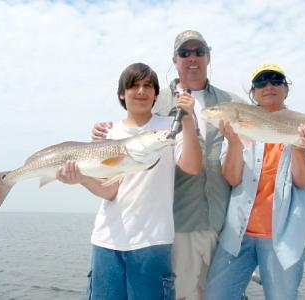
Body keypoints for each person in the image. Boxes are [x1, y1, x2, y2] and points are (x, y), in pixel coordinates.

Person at [92, 30, 244, 299]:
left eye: (199, 52)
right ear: (174, 60)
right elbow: (127, 137)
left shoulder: (232, 103)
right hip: (174, 222)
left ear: (209, 57)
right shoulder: (155, 100)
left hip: (222, 220)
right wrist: (101, 132)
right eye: (184, 53)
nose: (192, 58)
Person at [57, 62, 202, 300]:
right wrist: (81, 178)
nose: (142, 91)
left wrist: (188, 120)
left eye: (148, 86)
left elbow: (192, 166)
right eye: (134, 86)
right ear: (122, 94)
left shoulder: (167, 129)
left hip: (153, 242)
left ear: (156, 94)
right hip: (107, 241)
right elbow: (109, 190)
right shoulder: (107, 133)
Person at [203, 63, 305, 300]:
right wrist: (235, 142)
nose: (268, 86)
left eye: (275, 81)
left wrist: (299, 146)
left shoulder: (302, 126)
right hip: (237, 236)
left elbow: (303, 181)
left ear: (285, 89)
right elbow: (232, 178)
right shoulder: (240, 127)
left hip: (284, 239)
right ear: (253, 91)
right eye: (261, 82)